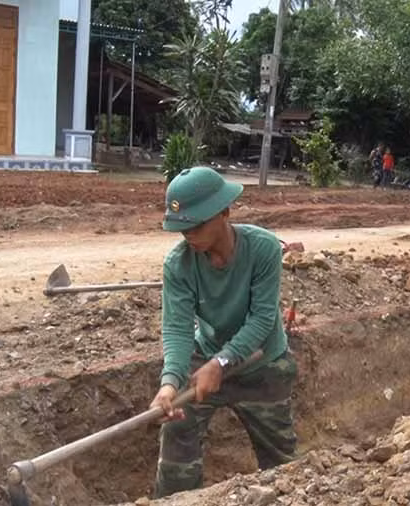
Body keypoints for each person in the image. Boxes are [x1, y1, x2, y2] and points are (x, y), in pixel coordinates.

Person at [150, 166, 298, 498]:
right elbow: (176, 328)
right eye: (181, 228)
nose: (188, 234)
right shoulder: (179, 264)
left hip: (263, 365)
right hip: (209, 357)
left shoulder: (263, 249)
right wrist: (169, 383)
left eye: (196, 225)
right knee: (177, 432)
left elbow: (262, 320)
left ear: (224, 213)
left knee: (283, 465)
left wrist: (221, 363)